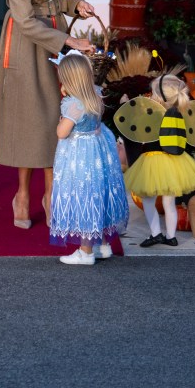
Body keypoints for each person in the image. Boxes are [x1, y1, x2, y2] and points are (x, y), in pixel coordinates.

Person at [0, 0, 96, 230]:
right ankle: (22, 194)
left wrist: (76, 3)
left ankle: (51, 193)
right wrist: (68, 41)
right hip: (26, 44)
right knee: (29, 120)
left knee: (56, 116)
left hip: (55, 39)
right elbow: (24, 19)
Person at [118, 73, 195, 248]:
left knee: (148, 200)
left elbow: (134, 128)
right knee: (169, 202)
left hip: (151, 161)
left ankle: (156, 234)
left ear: (158, 95)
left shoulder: (152, 113)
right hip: (175, 162)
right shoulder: (181, 113)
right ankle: (171, 237)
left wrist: (126, 105)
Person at [50, 51, 129, 266]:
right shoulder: (96, 93)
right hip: (98, 149)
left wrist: (60, 120)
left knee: (83, 196)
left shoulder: (73, 105)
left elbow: (62, 132)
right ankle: (102, 245)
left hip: (80, 155)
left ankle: (85, 252)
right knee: (98, 193)